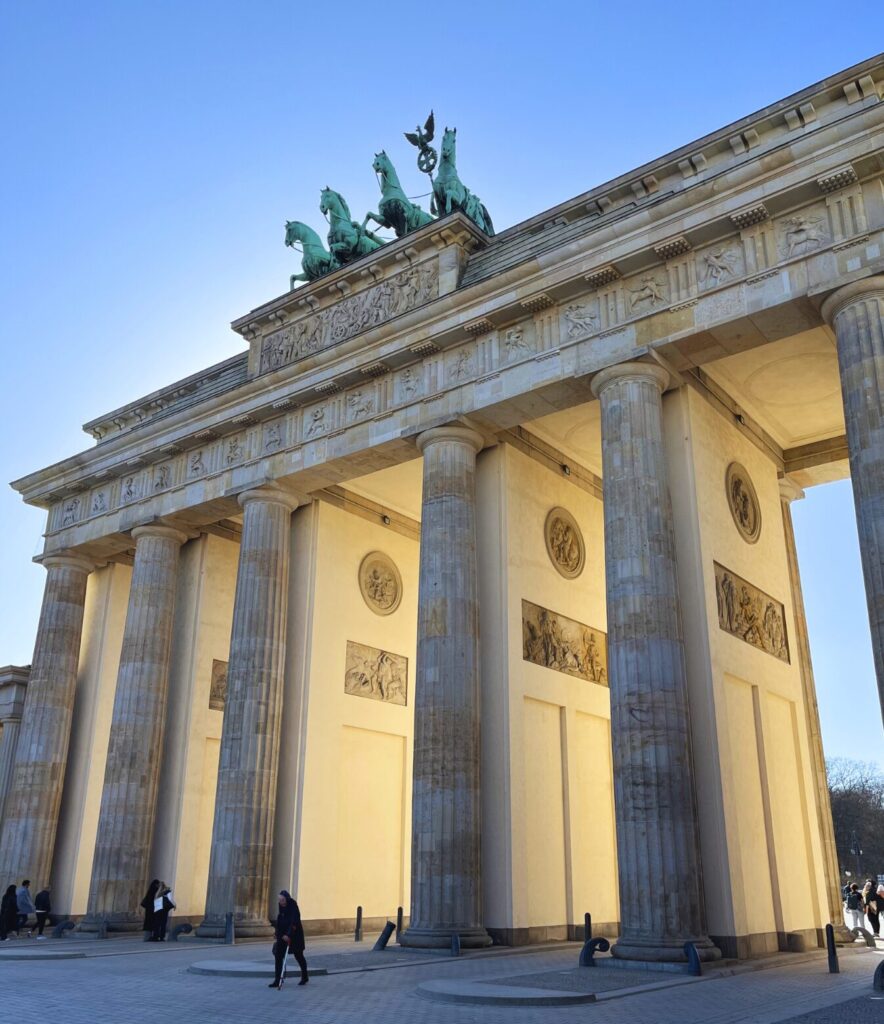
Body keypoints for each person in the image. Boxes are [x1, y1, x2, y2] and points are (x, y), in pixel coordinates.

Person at [269, 890, 308, 988]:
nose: (280, 902)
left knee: (298, 955)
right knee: (278, 956)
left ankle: (305, 976)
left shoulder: (293, 907)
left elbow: (294, 922)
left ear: (286, 899)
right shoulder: (281, 908)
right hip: (282, 936)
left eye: (282, 900)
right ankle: (277, 980)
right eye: (279, 900)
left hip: (295, 936)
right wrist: (278, 934)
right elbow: (280, 922)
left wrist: (289, 935)